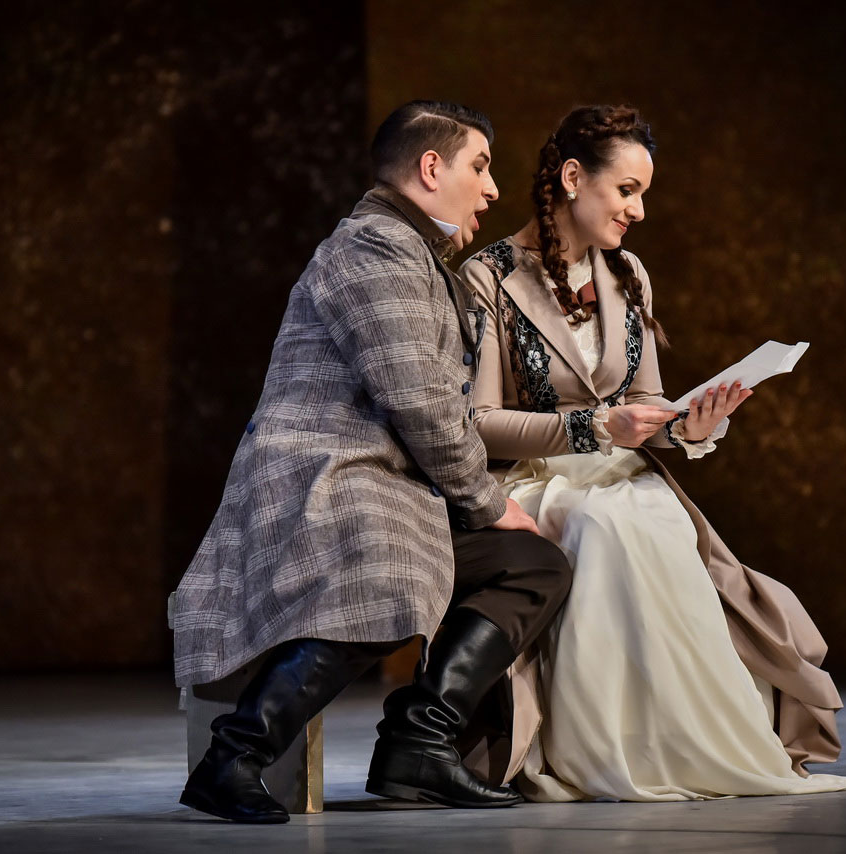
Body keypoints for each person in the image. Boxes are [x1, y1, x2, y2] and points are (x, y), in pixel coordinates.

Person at [171, 101, 573, 823]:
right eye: (480, 167)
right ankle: (233, 757)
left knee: (532, 564)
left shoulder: (416, 252)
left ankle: (420, 742)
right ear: (431, 167)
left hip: (387, 488)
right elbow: (419, 400)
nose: (491, 189)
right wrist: (487, 501)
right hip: (325, 483)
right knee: (387, 571)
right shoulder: (374, 247)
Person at [457, 104, 846, 801]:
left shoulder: (629, 274)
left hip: (620, 468)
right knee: (602, 526)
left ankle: (685, 745)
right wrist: (595, 427)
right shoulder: (488, 275)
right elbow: (481, 422)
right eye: (627, 190)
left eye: (642, 193)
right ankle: (601, 748)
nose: (639, 210)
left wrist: (691, 426)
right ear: (572, 178)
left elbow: (646, 403)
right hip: (531, 477)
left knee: (657, 520)